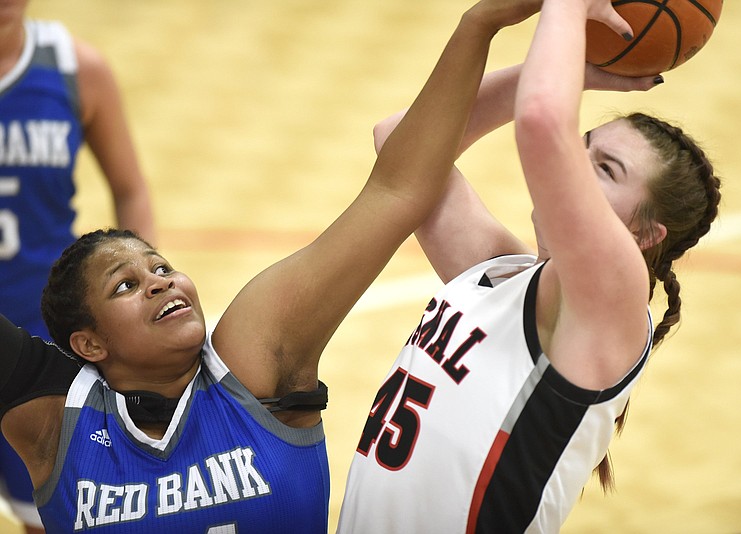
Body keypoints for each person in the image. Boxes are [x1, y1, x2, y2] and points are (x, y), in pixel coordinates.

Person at [0, 0, 546, 531]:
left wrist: (479, 24)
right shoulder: (56, 418)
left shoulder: (254, 356)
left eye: (161, 267)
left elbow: (398, 189)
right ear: (89, 344)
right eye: (126, 285)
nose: (159, 283)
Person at [337, 0, 722, 532]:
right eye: (582, 150)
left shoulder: (613, 303)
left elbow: (543, 126)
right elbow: (400, 138)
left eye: (605, 170)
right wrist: (580, 75)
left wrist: (566, 10)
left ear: (642, 235)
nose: (573, 169)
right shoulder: (498, 273)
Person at [0, 1, 155, 531]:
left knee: (48, 517)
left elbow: (130, 189)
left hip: (43, 345)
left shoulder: (74, 69)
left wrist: (142, 295)